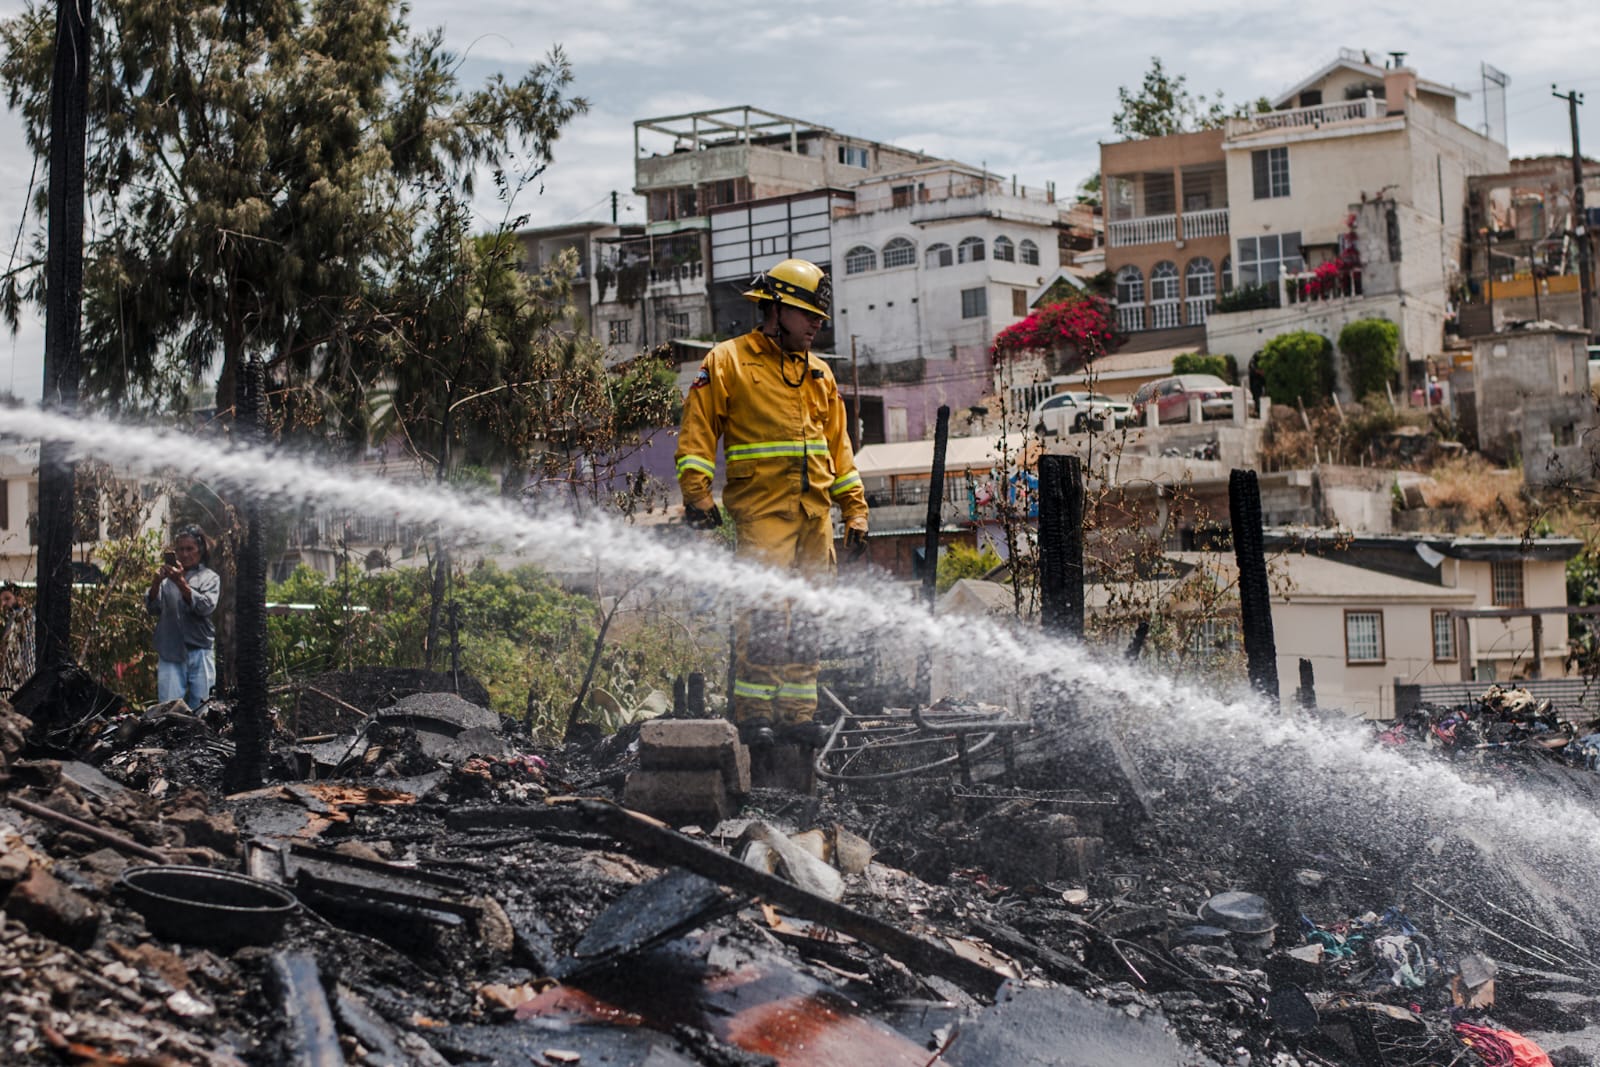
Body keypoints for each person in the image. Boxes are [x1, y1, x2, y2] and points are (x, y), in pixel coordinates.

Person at [674, 258, 869, 749]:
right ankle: (755, 714)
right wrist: (697, 494)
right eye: (808, 314)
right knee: (764, 614)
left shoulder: (820, 375)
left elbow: (839, 452)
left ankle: (798, 714)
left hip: (814, 517)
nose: (817, 325)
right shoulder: (728, 362)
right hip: (762, 513)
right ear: (776, 308)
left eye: (819, 316)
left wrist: (856, 509)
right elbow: (698, 432)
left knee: (808, 617)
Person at [145, 525, 220, 709]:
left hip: (200, 650)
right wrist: (156, 583)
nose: (185, 554)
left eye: (190, 549)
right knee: (168, 710)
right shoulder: (166, 580)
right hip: (170, 651)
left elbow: (205, 607)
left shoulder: (209, 578)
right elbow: (152, 608)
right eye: (180, 549)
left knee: (203, 708)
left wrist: (181, 583)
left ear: (200, 550)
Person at [0, 583, 34, 697]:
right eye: (1, 600)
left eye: (7, 598)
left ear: (19, 599)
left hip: (26, 675)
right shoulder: (10, 620)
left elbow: (28, 648)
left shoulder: (26, 617)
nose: (4, 603)